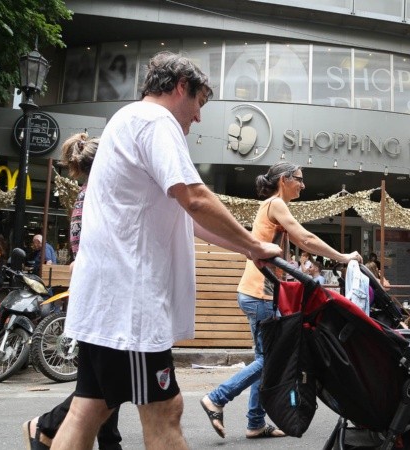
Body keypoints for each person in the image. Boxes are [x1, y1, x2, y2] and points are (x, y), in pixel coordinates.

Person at [49, 52, 282, 450]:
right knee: (165, 410)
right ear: (180, 87)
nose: (199, 117)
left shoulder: (127, 119)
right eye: (199, 102)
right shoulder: (157, 122)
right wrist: (254, 242)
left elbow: (188, 219)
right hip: (130, 305)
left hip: (108, 298)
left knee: (87, 410)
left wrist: (247, 252)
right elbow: (194, 198)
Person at [201, 162, 361, 440]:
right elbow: (306, 239)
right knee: (271, 359)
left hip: (256, 292)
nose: (303, 185)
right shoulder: (276, 204)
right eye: (299, 179)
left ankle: (255, 422)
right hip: (259, 294)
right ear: (285, 180)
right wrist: (343, 257)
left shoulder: (270, 206)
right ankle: (217, 398)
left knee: (265, 358)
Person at [22, 133, 125, 450]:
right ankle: (47, 423)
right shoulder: (97, 194)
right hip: (100, 293)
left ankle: (106, 442)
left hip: (98, 292)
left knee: (105, 376)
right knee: (109, 379)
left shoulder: (92, 193)